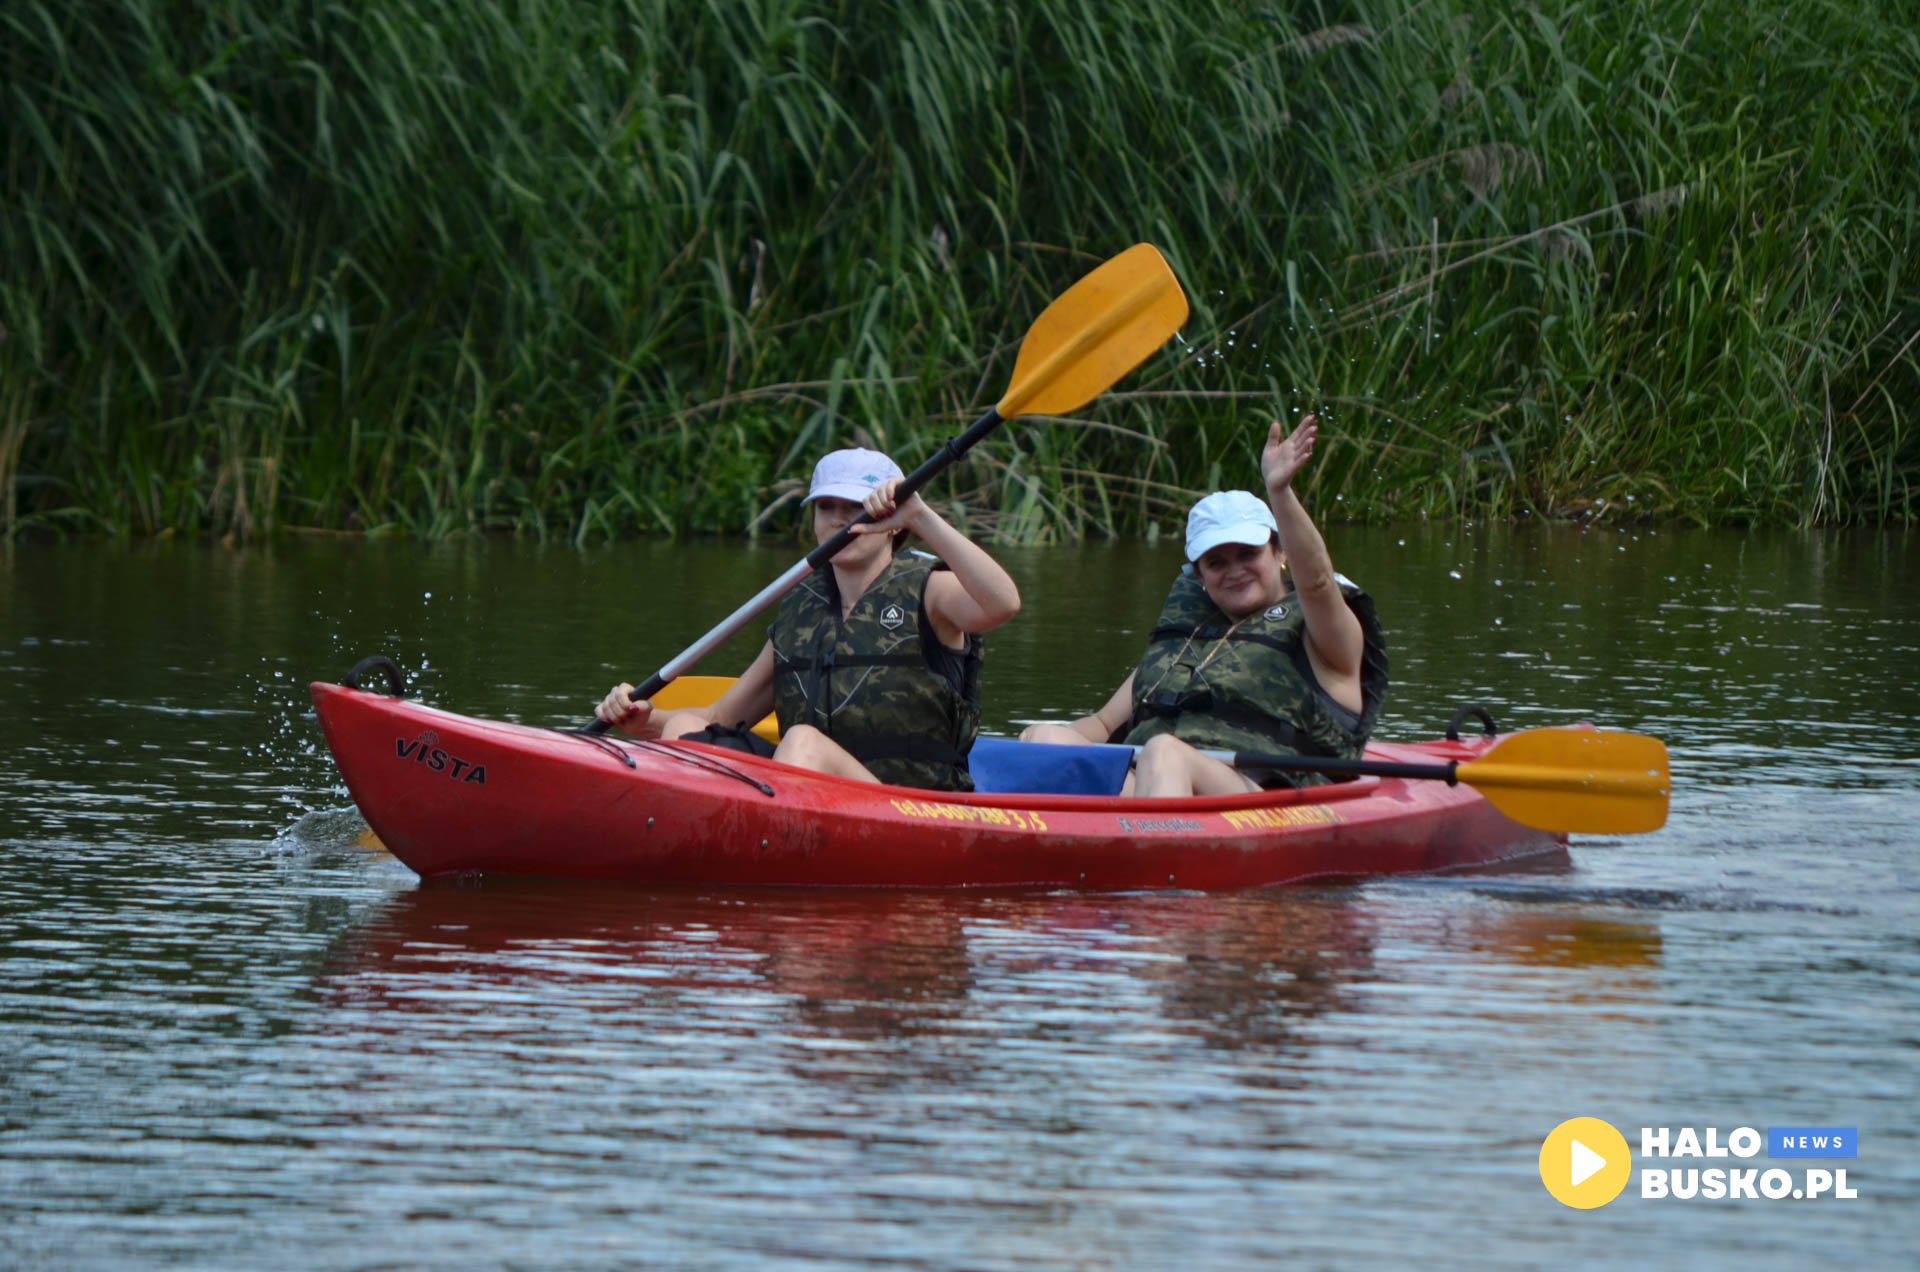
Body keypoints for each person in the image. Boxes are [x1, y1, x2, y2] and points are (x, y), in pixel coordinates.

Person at [596, 447, 1021, 791]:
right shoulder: (801, 612)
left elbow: (1003, 604)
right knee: (686, 726)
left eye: (855, 506)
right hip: (805, 789)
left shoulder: (932, 590)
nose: (838, 519)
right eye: (826, 506)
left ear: (893, 523)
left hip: (908, 804)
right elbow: (720, 715)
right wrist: (644, 721)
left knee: (803, 740)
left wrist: (921, 517)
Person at [1019, 414, 1387, 797]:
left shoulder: (1323, 635)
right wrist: (1037, 743)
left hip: (1260, 796)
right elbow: (1101, 725)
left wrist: (1279, 492)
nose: (1235, 571)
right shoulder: (1184, 645)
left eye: (1248, 554)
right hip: (1153, 786)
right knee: (1045, 738)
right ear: (1200, 576)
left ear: (1281, 553)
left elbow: (1318, 583)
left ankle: (1155, 833)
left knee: (1164, 752)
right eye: (1217, 562)